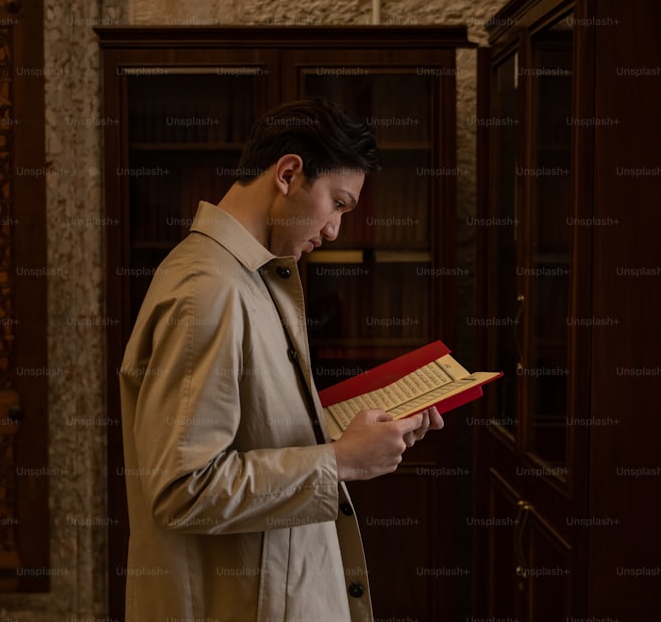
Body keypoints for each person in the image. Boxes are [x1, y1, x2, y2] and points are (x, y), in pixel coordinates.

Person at [119, 98, 444, 621]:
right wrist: (342, 461)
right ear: (289, 173)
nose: (336, 230)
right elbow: (183, 489)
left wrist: (364, 436)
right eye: (337, 203)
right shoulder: (210, 289)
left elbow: (257, 430)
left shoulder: (251, 275)